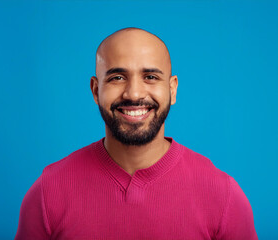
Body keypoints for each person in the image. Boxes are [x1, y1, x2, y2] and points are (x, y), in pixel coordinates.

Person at [15, 27, 258, 240]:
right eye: (117, 77)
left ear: (172, 89)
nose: (133, 94)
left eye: (150, 77)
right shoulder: (50, 190)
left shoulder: (222, 193)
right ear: (95, 90)